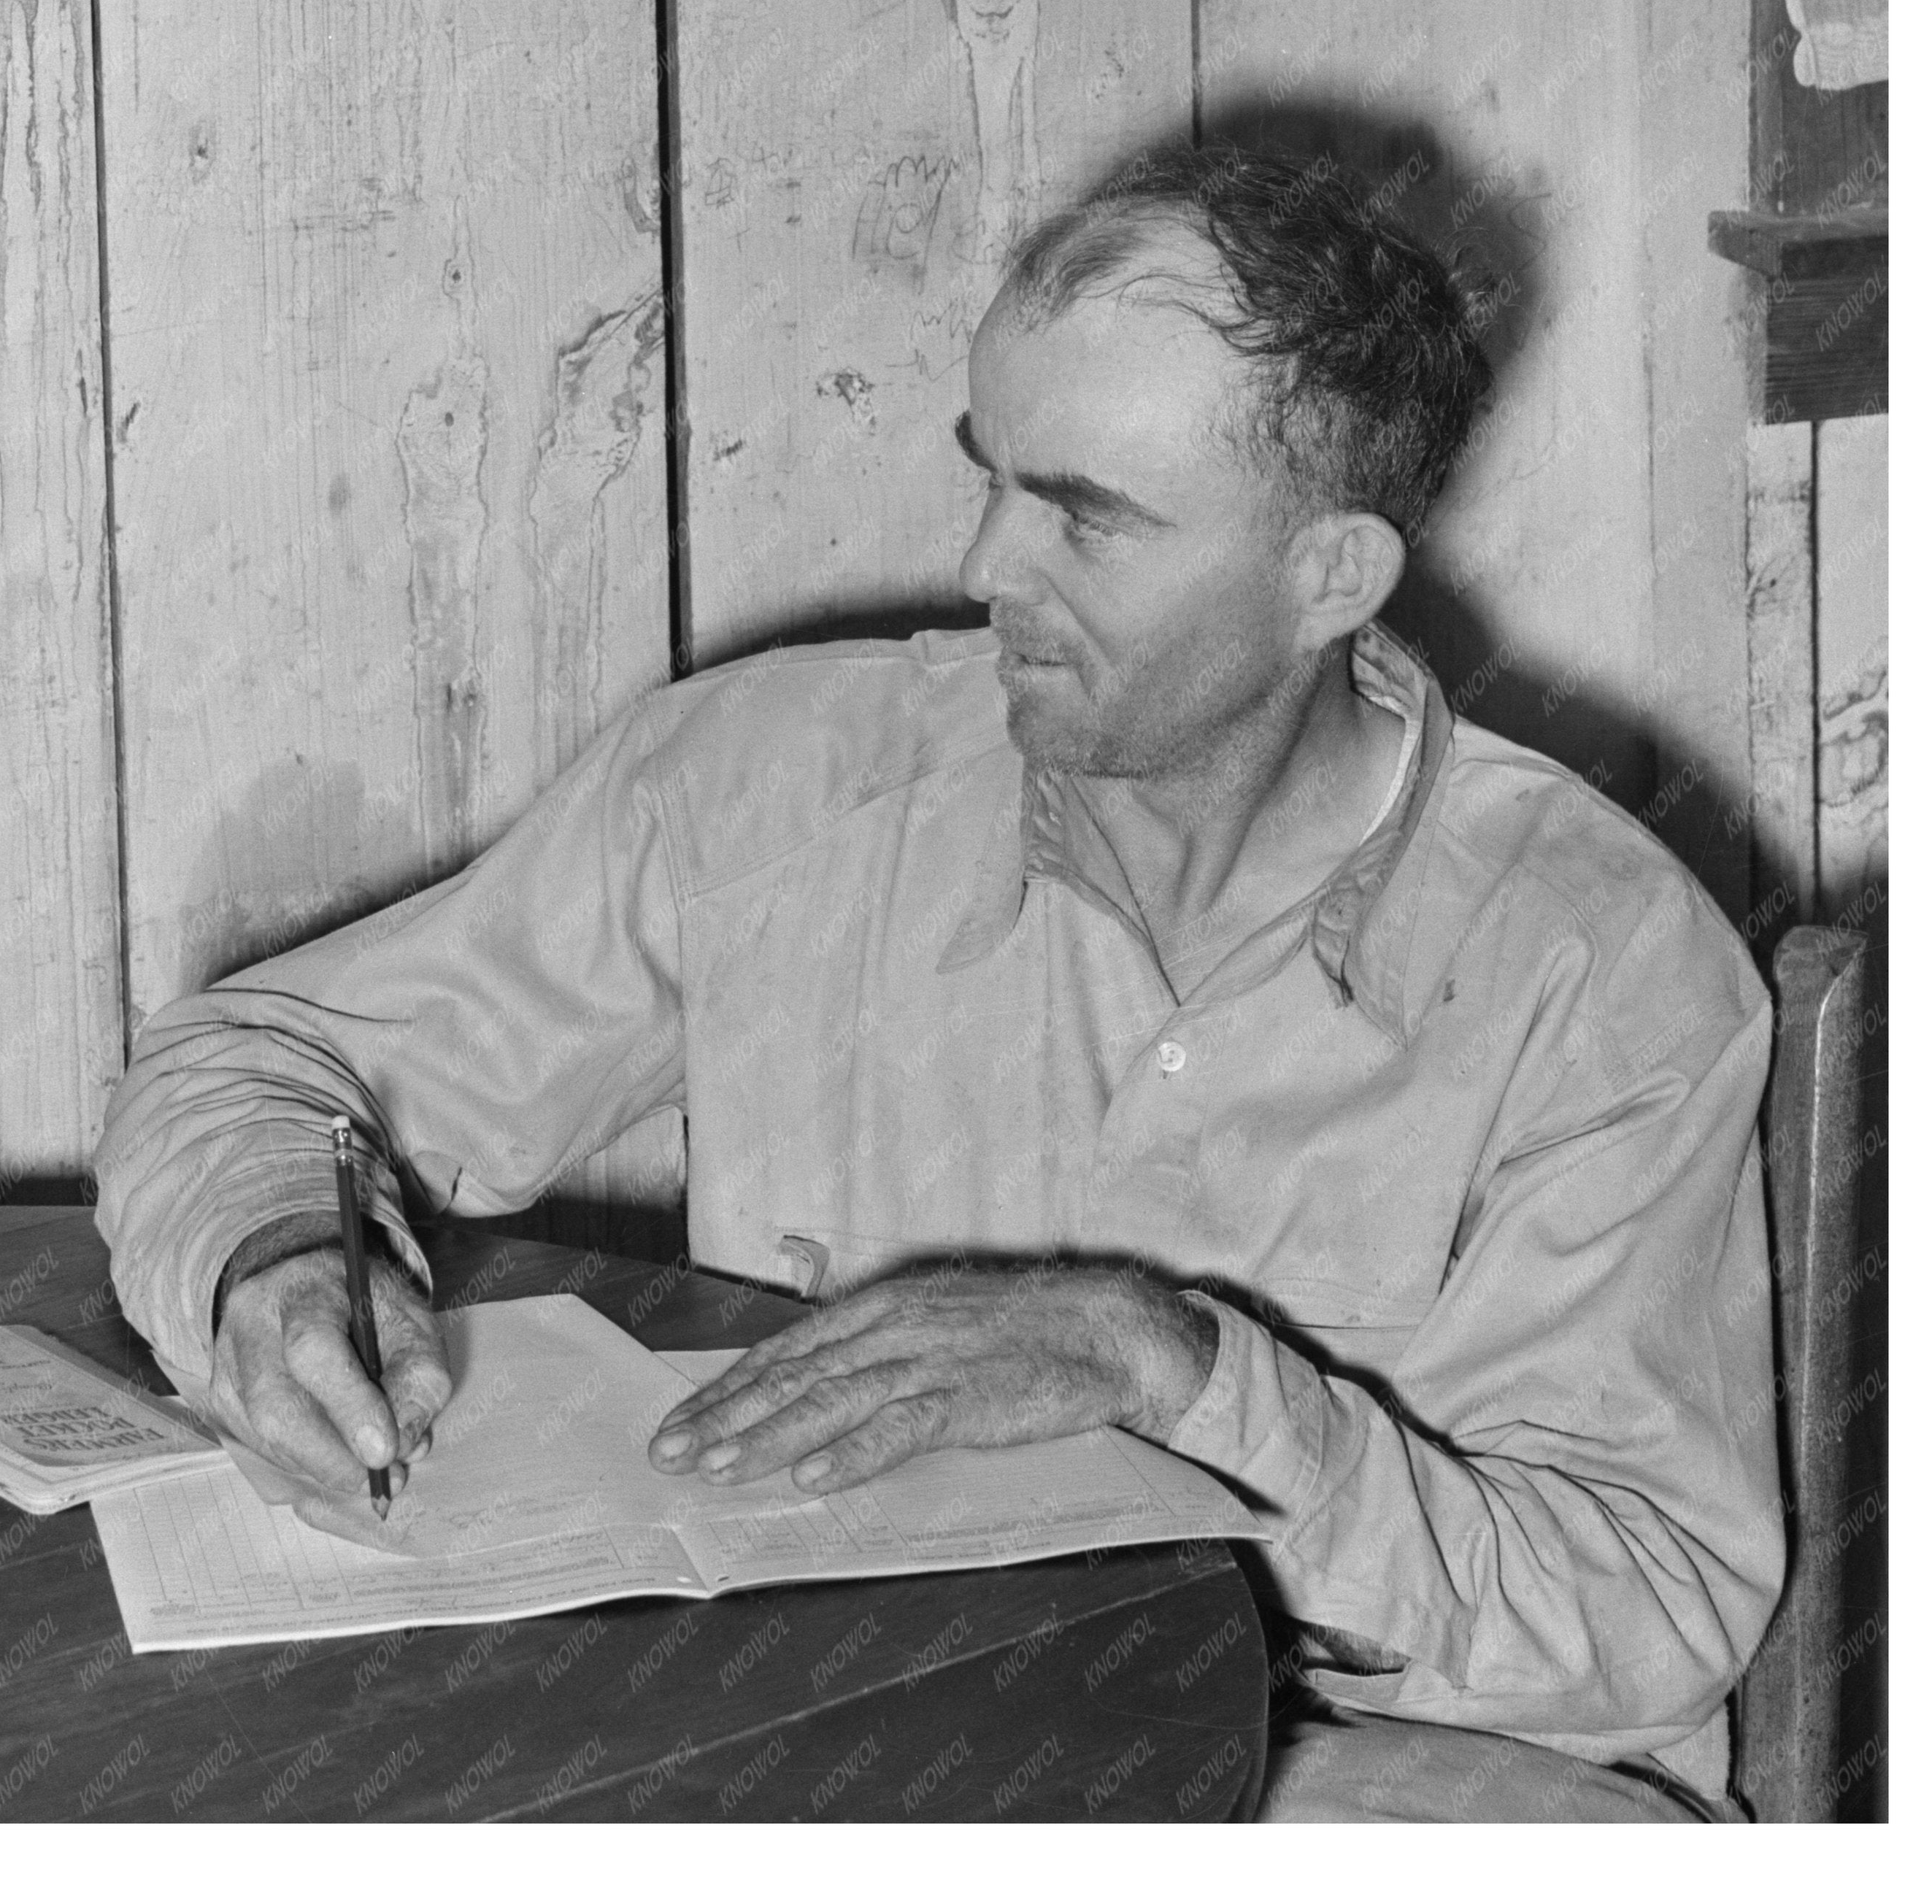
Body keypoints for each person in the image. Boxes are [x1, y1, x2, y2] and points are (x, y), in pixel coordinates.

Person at [96, 144, 1781, 1822]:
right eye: (990, 474)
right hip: (872, 1737)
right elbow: (248, 1063)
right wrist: (269, 1252)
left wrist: (1179, 1374)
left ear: (1325, 578)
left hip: (1363, 1767)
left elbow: (1633, 1625)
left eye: (1084, 516)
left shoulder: (1594, 960)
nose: (985, 565)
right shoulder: (775, 784)